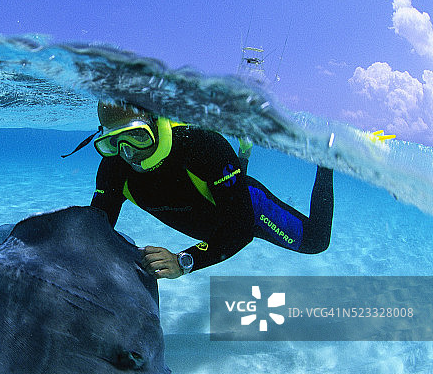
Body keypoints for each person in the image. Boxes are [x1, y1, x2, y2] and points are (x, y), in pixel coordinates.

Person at [86, 102, 334, 279]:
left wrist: (183, 261)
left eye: (138, 136)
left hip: (247, 213)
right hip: (213, 206)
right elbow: (94, 231)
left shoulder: (205, 147)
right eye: (113, 142)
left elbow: (240, 230)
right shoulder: (113, 168)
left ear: (155, 122)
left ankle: (326, 161)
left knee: (316, 242)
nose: (129, 153)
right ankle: (243, 154)